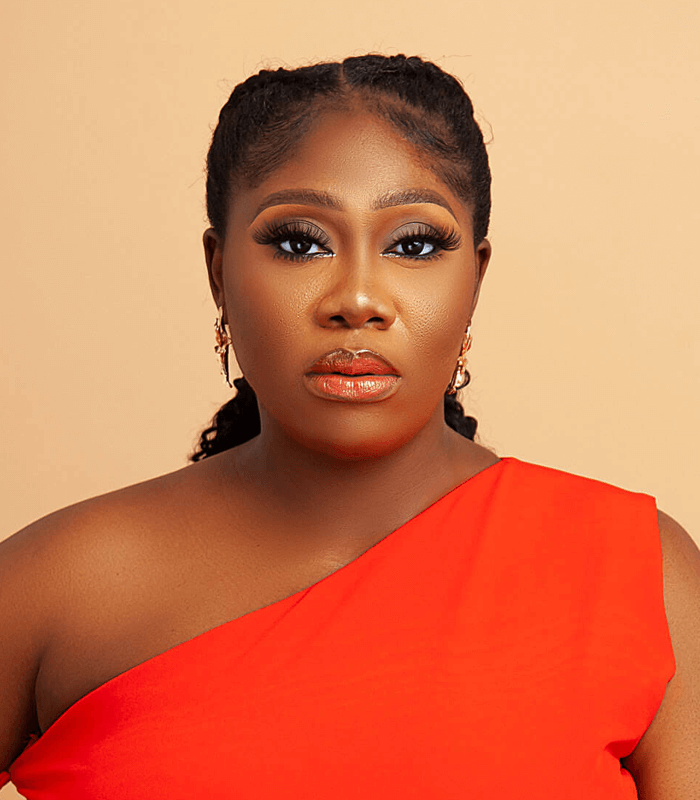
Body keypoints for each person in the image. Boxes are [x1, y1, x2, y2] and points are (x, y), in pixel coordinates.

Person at [1, 53, 698, 799]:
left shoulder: (642, 577)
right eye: (300, 242)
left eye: (414, 244)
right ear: (218, 272)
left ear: (476, 279)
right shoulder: (54, 589)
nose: (358, 298)